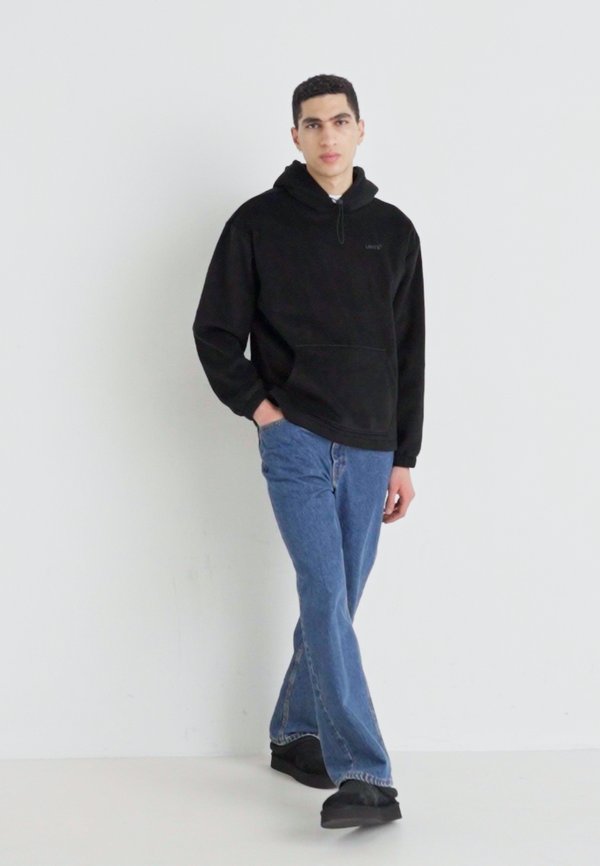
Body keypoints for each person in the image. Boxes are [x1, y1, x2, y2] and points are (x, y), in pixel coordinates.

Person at [192, 73, 425, 829]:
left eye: (340, 121)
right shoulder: (258, 223)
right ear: (294, 135)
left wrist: (404, 456)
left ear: (361, 129)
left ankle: (296, 735)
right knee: (325, 594)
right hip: (295, 439)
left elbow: (409, 350)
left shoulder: (394, 231)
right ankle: (365, 774)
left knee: (338, 600)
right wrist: (265, 413)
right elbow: (215, 332)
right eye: (313, 123)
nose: (328, 135)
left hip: (372, 444)